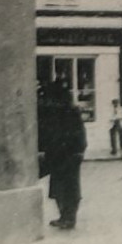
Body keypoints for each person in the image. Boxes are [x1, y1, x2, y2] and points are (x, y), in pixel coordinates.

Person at [43, 82, 87, 229]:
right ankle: (64, 216)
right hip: (59, 154)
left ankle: (69, 218)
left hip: (69, 155)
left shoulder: (71, 111)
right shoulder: (58, 111)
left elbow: (79, 134)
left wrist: (79, 151)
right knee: (59, 187)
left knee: (69, 188)